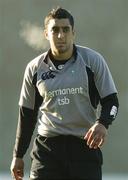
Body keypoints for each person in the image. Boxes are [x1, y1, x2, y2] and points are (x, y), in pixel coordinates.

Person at [10, 7, 119, 180]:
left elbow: (111, 101)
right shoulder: (34, 68)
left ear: (73, 33)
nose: (61, 35)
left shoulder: (92, 60)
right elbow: (26, 115)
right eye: (55, 30)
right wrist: (18, 155)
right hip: (47, 150)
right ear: (46, 33)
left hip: (84, 148)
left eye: (65, 30)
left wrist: (103, 123)